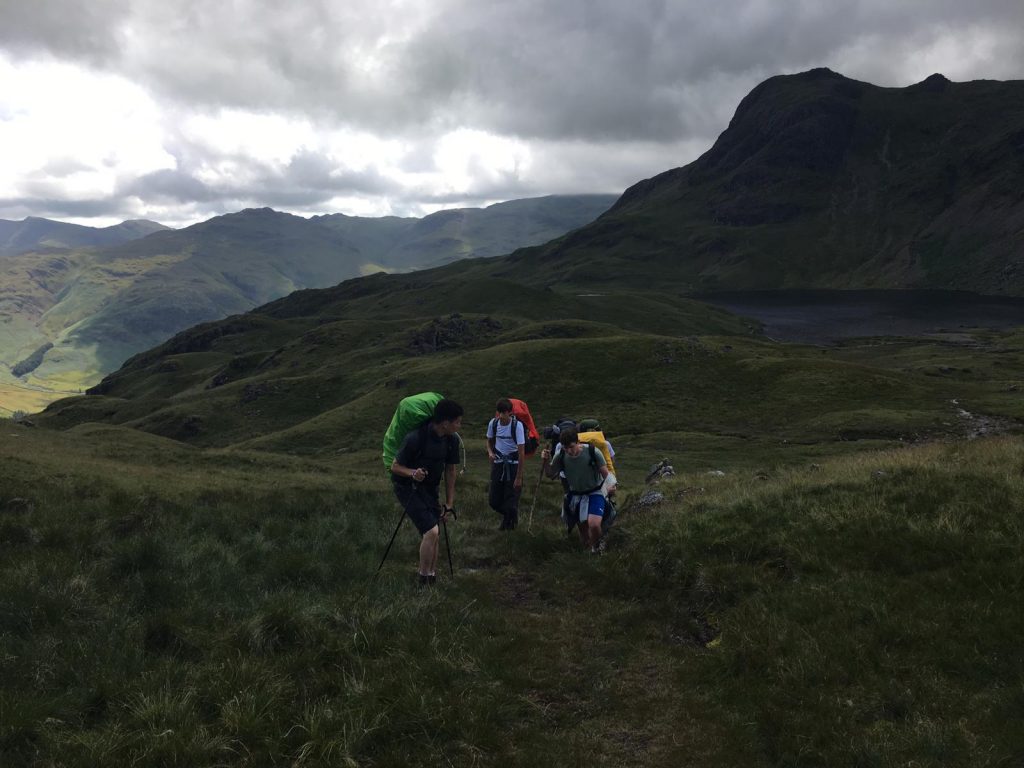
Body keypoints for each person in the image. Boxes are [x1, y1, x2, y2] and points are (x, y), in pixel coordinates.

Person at [390, 399, 463, 585]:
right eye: (457, 421)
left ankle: (431, 576)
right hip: (407, 488)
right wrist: (413, 473)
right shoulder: (416, 438)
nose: (459, 425)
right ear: (445, 423)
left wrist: (449, 503)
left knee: (436, 532)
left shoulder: (451, 440)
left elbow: (450, 470)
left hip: (430, 489)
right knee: (431, 531)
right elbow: (395, 467)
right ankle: (423, 579)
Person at [542, 426, 609, 553]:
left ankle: (597, 549)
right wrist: (545, 462)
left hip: (595, 492)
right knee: (583, 532)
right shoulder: (561, 455)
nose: (569, 451)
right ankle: (588, 554)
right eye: (566, 448)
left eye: (571, 447)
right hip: (576, 495)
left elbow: (605, 473)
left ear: (578, 442)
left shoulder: (592, 452)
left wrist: (611, 486)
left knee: (594, 525)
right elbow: (550, 474)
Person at [486, 398, 526, 530]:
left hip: (513, 465)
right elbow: (489, 441)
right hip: (498, 464)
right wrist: (490, 452)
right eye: (500, 412)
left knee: (511, 498)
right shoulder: (493, 423)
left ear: (510, 412)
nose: (502, 416)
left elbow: (521, 453)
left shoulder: (517, 426)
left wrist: (519, 477)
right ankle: (511, 515)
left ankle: (508, 527)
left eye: (505, 413)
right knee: (493, 501)